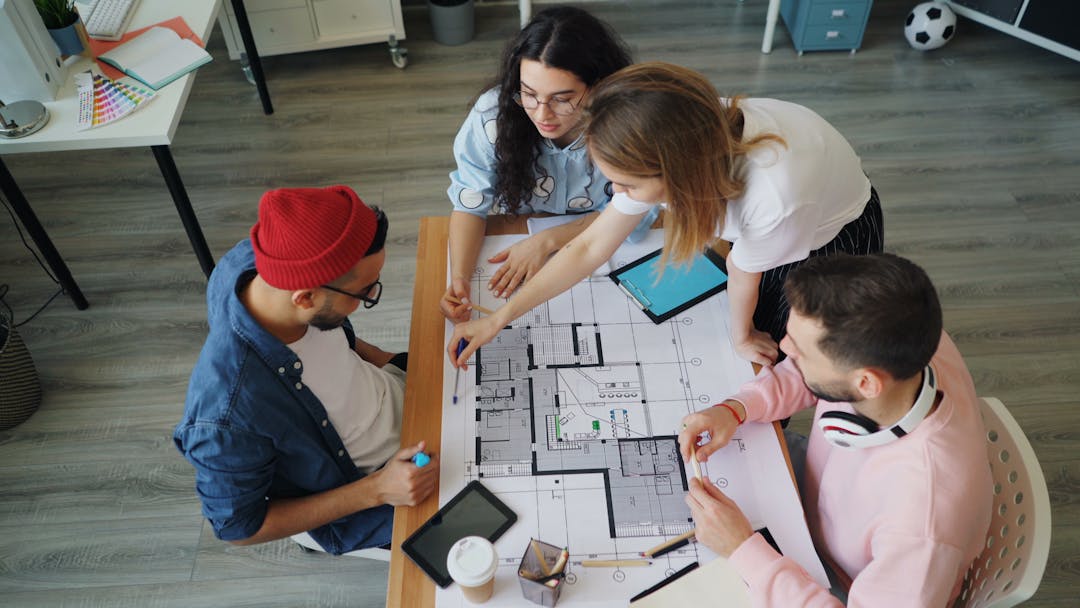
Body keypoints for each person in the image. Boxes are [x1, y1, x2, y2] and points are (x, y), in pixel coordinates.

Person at [446, 62, 882, 367]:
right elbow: (589, 247)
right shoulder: (668, 135)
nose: (617, 195)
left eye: (628, 185)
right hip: (772, 208)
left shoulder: (773, 198)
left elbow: (743, 268)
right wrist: (498, 319)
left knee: (783, 347)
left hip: (828, 235)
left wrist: (742, 336)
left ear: (674, 172)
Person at [679, 253, 993, 606]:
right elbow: (808, 375)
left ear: (866, 384)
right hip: (816, 503)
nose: (783, 348)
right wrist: (736, 409)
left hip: (839, 582)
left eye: (799, 352)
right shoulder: (904, 339)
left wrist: (742, 548)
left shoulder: (922, 525)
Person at [174, 186, 438, 555]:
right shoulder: (226, 416)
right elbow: (237, 526)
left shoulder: (260, 263)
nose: (370, 297)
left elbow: (336, 343)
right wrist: (378, 489)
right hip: (379, 480)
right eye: (365, 292)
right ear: (305, 298)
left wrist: (393, 360)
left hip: (398, 398)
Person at [441, 6, 656, 323]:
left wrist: (549, 240)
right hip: (535, 231)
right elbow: (470, 200)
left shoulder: (628, 124)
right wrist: (458, 278)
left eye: (562, 98)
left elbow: (641, 210)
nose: (542, 115)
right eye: (528, 94)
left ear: (598, 86)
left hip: (605, 240)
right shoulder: (493, 117)